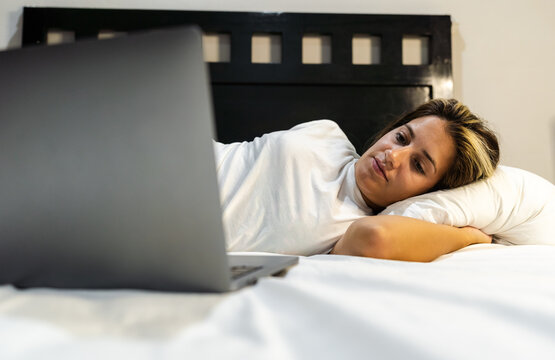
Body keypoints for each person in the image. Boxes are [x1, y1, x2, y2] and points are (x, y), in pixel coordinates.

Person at [214, 98, 499, 262]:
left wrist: (470, 237)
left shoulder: (354, 227)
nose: (393, 156)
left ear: (430, 192)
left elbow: (376, 239)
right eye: (401, 137)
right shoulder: (327, 132)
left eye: (418, 165)